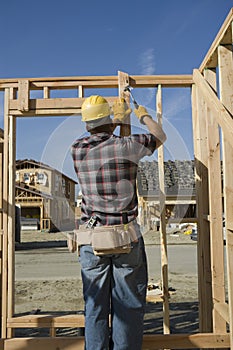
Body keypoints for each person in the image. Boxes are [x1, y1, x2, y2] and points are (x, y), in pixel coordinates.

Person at [71, 95, 166, 350]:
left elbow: (101, 131)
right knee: (128, 306)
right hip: (126, 237)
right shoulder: (129, 146)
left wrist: (115, 119)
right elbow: (160, 135)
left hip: (92, 239)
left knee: (95, 307)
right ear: (107, 120)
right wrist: (141, 114)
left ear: (86, 123)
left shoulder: (77, 149)